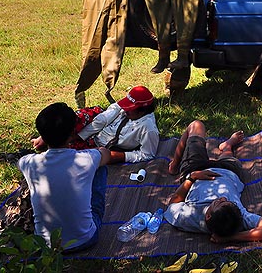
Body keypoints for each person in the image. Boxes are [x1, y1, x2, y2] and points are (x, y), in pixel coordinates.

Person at [164, 120, 262, 243]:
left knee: (196, 125)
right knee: (228, 157)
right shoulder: (236, 217)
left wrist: (192, 178)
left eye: (219, 203)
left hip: (195, 169)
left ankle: (174, 165)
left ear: (208, 215)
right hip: (228, 171)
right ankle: (227, 146)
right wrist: (234, 237)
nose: (223, 198)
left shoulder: (189, 216)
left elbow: (172, 205)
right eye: (228, 201)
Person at [18, 102, 111, 252]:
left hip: (44, 245)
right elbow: (105, 153)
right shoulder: (87, 159)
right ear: (73, 133)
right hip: (85, 239)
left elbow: (21, 162)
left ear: (42, 135)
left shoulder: (28, 163)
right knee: (100, 168)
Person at [31, 86, 160, 163]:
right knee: (74, 117)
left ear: (142, 111)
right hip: (96, 121)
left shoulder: (148, 129)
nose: (125, 110)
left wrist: (120, 157)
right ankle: (46, 136)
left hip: (100, 143)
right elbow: (102, 119)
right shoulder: (124, 108)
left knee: (72, 156)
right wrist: (81, 135)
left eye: (129, 108)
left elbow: (147, 154)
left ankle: (50, 146)